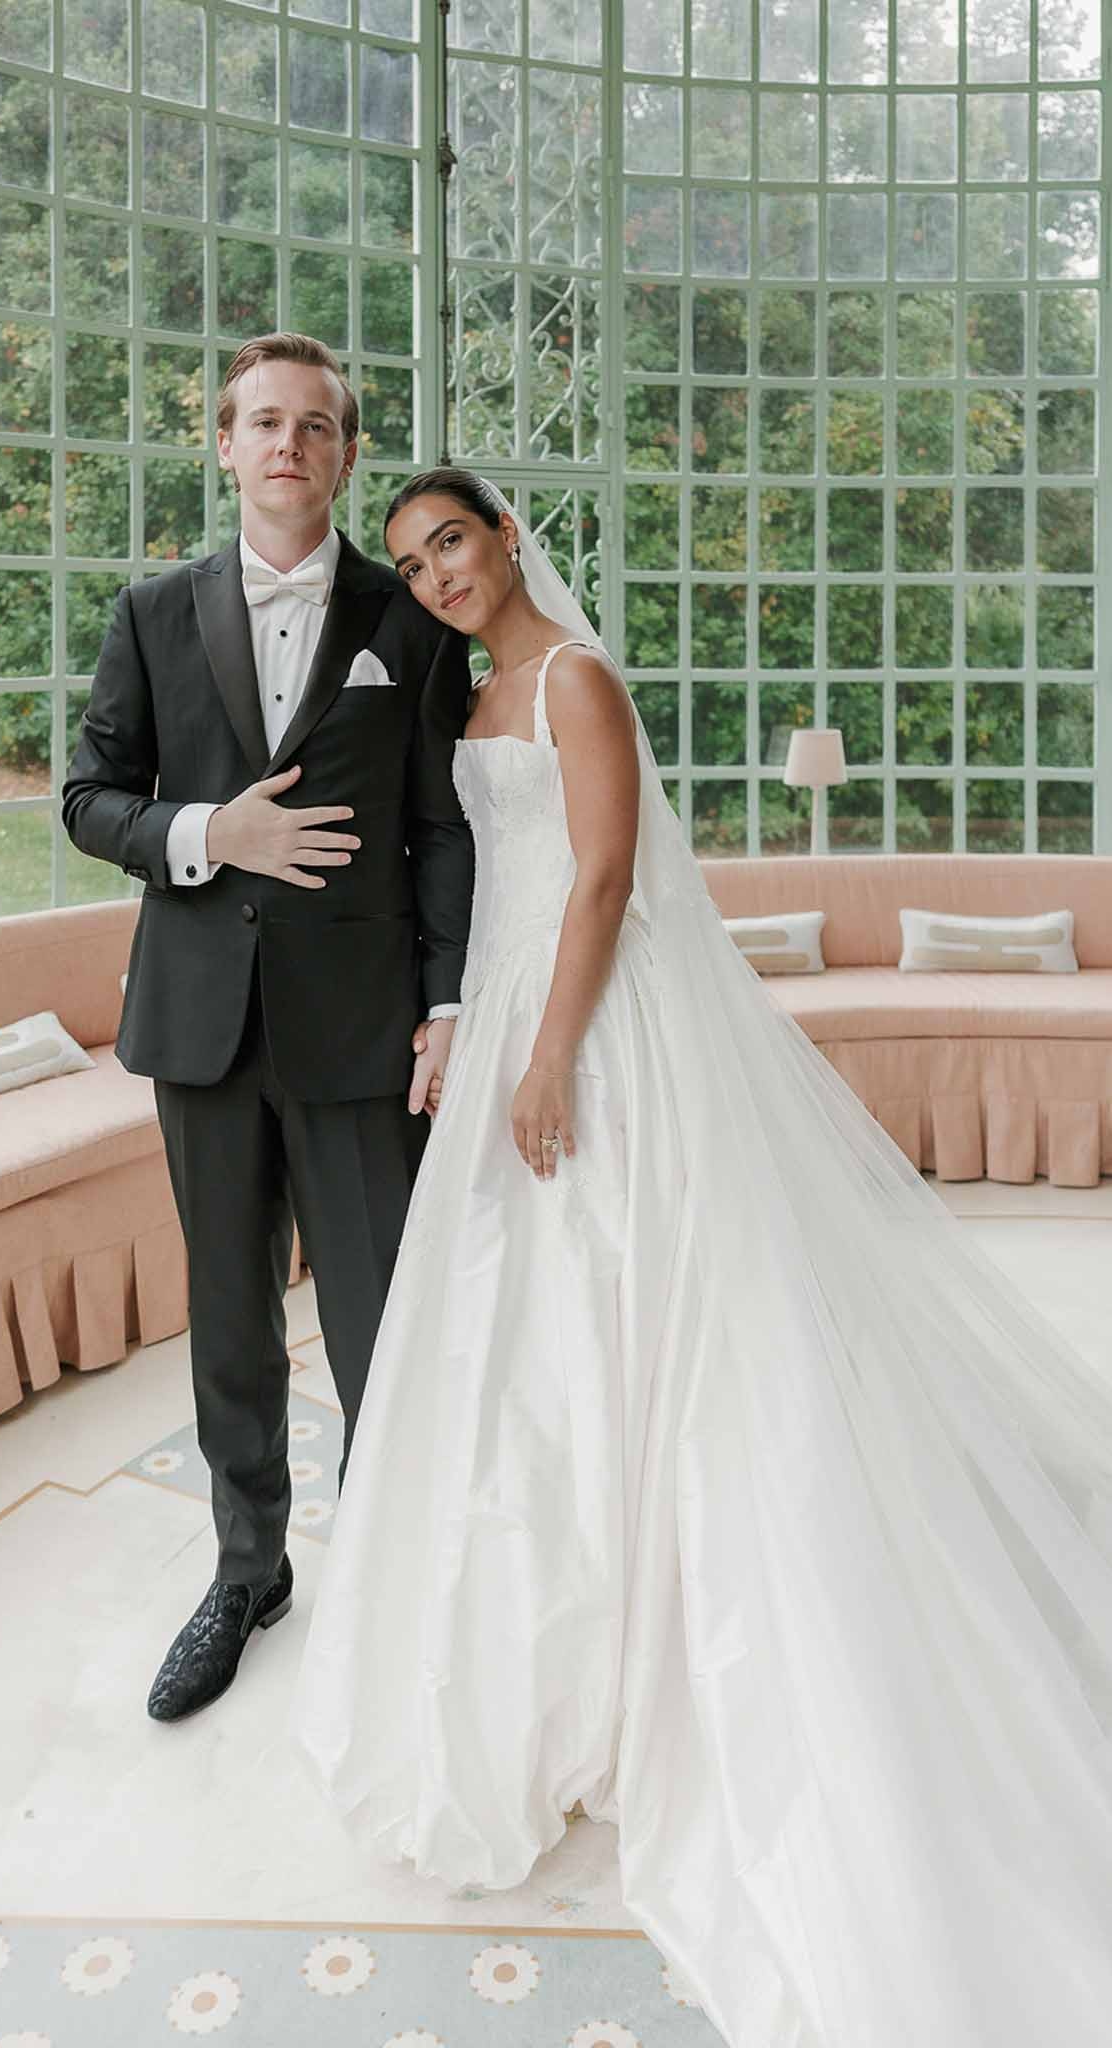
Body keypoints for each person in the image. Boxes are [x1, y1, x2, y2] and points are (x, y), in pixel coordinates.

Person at [290, 467, 1112, 2047]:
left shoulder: (576, 680)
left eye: (449, 540)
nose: (435, 573)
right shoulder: (470, 690)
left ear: (507, 534)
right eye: (409, 559)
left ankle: (682, 1646)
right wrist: (471, 1024)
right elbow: (489, 880)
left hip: (603, 1033)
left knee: (647, 1308)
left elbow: (601, 879)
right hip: (517, 1018)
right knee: (516, 1341)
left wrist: (547, 1056)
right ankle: (559, 1655)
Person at [62, 340, 473, 1723]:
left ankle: (397, 1577)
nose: (287, 442)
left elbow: (441, 833)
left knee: (381, 1331)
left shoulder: (409, 621)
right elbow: (87, 796)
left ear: (345, 454)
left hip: (361, 1034)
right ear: (224, 446)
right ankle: (246, 1574)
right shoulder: (150, 611)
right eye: (261, 422)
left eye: (314, 425)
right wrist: (203, 832)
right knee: (230, 1321)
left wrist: (448, 1003)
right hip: (200, 1029)